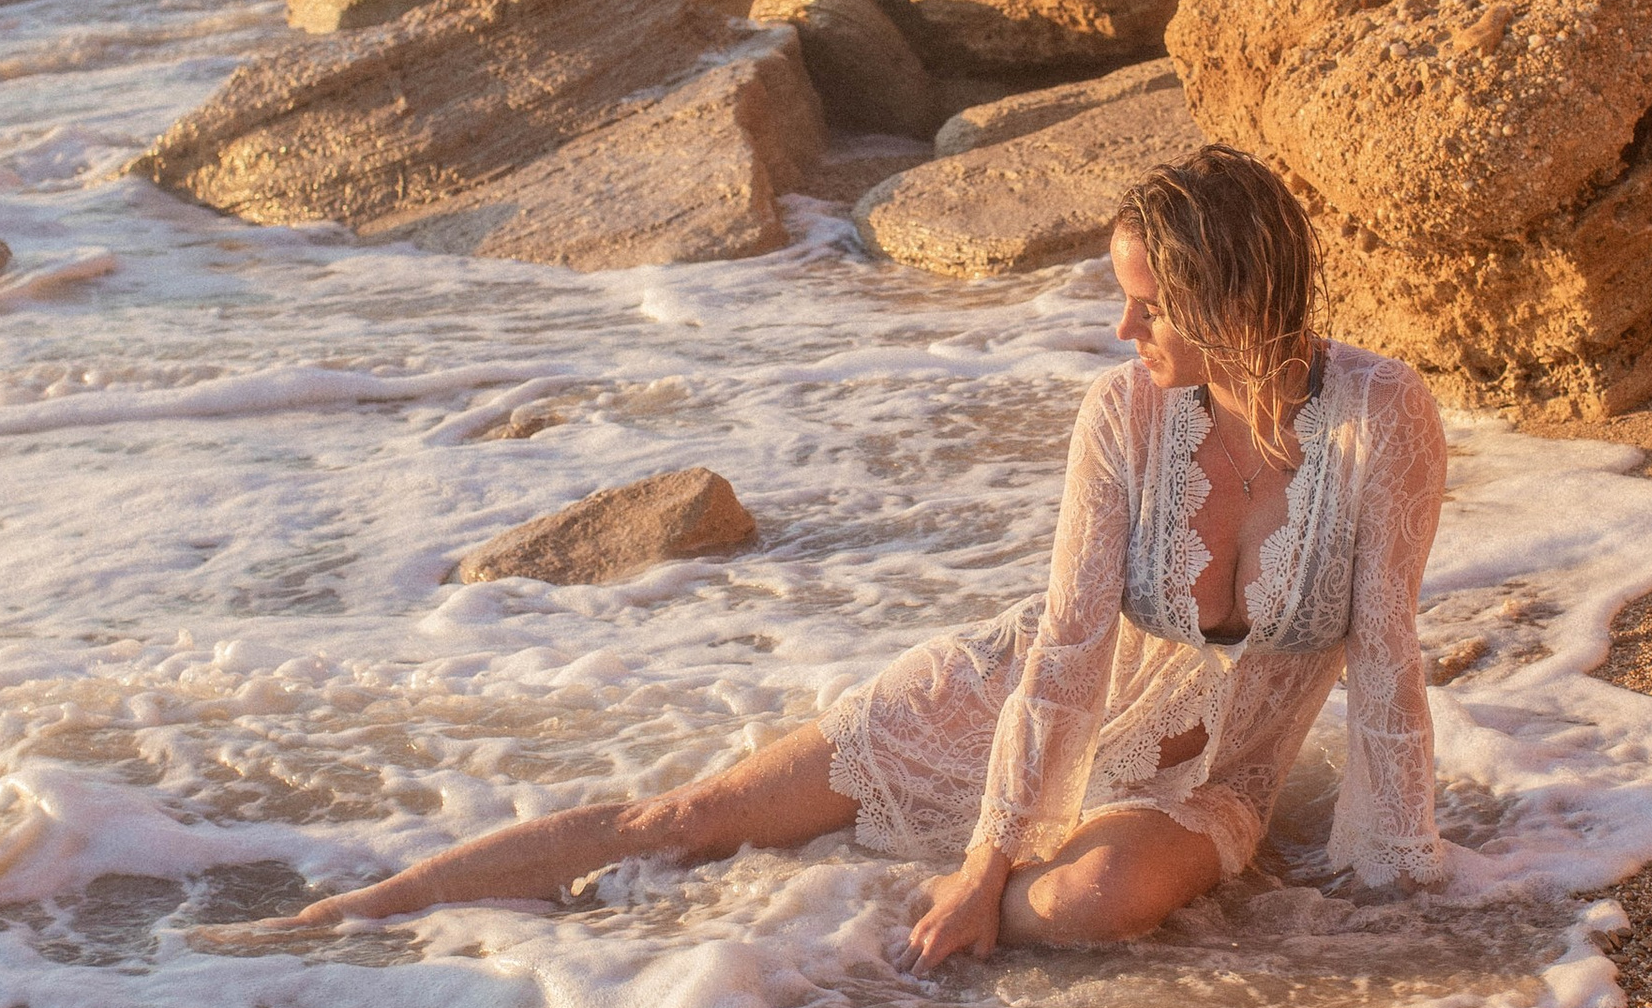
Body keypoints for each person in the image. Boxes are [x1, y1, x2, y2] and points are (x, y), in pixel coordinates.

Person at [268, 143, 1448, 966]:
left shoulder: (1379, 416)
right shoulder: (1124, 413)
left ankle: (810, 934)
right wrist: (990, 862)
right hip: (1008, 701)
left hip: (1205, 778)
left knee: (1087, 905)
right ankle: (366, 914)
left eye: (1148, 304)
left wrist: (1400, 883)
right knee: (685, 816)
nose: (1119, 329)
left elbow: (1387, 653)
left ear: (1229, 298)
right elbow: (1070, 646)